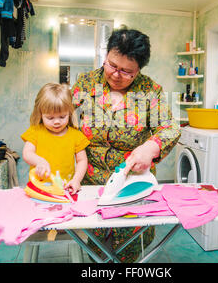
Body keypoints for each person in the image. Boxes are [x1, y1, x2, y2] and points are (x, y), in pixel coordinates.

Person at [72, 27, 181, 262]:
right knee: (97, 246)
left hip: (133, 182)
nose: (116, 74)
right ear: (106, 55)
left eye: (126, 71)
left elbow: (171, 127)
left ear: (139, 70)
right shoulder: (86, 82)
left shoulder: (150, 91)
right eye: (111, 65)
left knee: (130, 248)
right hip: (92, 182)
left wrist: (150, 147)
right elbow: (58, 113)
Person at [21, 83, 90, 194]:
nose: (57, 121)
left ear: (70, 113)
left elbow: (82, 160)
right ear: (40, 114)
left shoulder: (76, 136)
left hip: (65, 189)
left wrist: (76, 180)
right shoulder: (35, 132)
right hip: (39, 188)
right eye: (50, 117)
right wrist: (40, 161)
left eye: (62, 116)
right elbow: (27, 154)